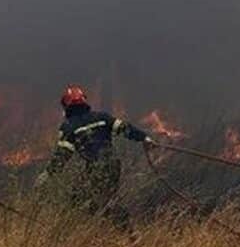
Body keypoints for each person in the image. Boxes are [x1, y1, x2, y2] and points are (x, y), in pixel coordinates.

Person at [36, 85, 155, 226]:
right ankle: (109, 226)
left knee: (83, 200)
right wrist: (145, 138)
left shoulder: (68, 127)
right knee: (93, 199)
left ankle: (124, 226)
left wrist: (47, 174)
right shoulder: (102, 117)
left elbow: (63, 155)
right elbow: (125, 128)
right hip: (113, 164)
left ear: (66, 106)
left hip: (96, 167)